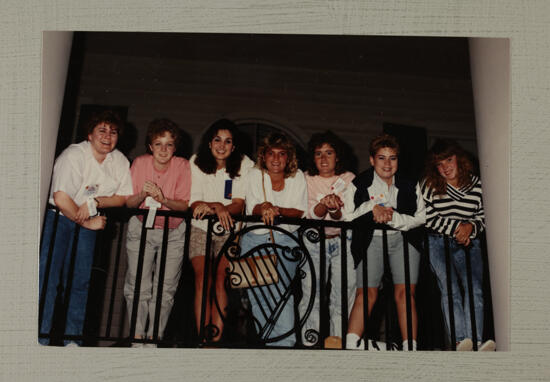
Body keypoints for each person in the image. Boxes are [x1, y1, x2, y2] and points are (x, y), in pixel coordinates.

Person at [39, 110, 133, 346]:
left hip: (86, 219)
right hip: (59, 218)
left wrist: (95, 202)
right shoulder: (74, 155)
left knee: (80, 282)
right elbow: (61, 198)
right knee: (48, 280)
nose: (108, 136)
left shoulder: (119, 160)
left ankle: (73, 342)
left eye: (113, 132)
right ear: (89, 134)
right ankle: (38, 339)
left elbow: (122, 197)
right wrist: (87, 221)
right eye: (102, 130)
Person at [344, 134, 425, 351]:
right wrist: (372, 208)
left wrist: (393, 217)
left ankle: (411, 348)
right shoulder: (359, 183)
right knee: (367, 292)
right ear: (372, 160)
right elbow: (346, 217)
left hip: (404, 240)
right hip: (371, 240)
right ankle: (351, 344)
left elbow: (421, 217)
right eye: (381, 158)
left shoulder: (410, 184)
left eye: (393, 158)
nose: (387, 164)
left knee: (405, 293)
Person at [422, 139, 496, 351]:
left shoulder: (477, 185)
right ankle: (460, 341)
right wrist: (459, 228)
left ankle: (478, 340)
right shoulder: (429, 185)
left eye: (449, 160)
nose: (445, 167)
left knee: (476, 289)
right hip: (437, 241)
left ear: (459, 159)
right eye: (439, 163)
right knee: (450, 288)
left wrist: (470, 228)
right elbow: (427, 216)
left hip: (469, 242)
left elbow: (484, 215)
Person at [123, 118, 190, 348]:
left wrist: (164, 199)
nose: (163, 149)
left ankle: (154, 338)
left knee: (166, 288)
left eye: (169, 144)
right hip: (141, 226)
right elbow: (130, 203)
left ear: (175, 147)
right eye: (158, 144)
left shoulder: (182, 166)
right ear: (150, 146)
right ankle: (137, 336)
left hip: (173, 231)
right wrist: (143, 194)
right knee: (137, 284)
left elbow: (184, 205)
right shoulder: (140, 164)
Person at [189, 119, 254, 343]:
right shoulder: (196, 162)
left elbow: (238, 203)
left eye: (228, 141)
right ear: (209, 143)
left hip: (230, 229)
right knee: (202, 278)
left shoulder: (245, 164)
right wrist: (213, 207)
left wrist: (216, 207)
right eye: (217, 139)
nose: (221, 145)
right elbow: (194, 202)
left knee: (220, 279)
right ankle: (202, 338)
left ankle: (214, 342)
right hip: (200, 228)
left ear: (234, 146)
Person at [241, 132, 307, 347]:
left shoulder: (297, 177)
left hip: (286, 241)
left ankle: (286, 343)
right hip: (255, 240)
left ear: (289, 158)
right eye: (271, 153)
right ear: (264, 156)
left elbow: (300, 212)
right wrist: (266, 207)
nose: (276, 158)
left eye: (282, 154)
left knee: (280, 293)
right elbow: (253, 207)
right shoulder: (254, 174)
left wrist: (276, 210)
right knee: (258, 296)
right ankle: (268, 344)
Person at [298, 131, 356, 348]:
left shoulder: (349, 178)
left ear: (337, 156)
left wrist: (335, 209)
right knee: (311, 292)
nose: (323, 158)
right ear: (312, 158)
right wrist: (326, 204)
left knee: (343, 294)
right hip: (314, 241)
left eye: (329, 153)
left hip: (343, 241)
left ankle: (337, 341)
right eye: (318, 153)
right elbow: (311, 213)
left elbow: (346, 215)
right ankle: (309, 341)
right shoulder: (305, 178)